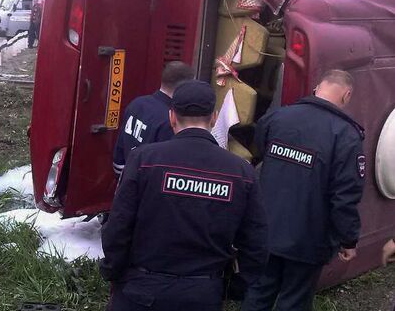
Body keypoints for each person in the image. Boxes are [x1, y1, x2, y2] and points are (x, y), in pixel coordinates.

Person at [100, 80, 268, 311]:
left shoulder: (144, 160)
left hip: (140, 289)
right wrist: (233, 288)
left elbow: (118, 226)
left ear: (171, 117)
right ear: (213, 117)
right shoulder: (241, 171)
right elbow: (256, 242)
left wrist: (113, 271)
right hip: (202, 294)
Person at [243, 69, 366, 311]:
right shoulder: (346, 136)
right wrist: (348, 239)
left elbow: (260, 149)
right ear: (346, 95)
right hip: (308, 238)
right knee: (295, 300)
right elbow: (344, 197)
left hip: (267, 227)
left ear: (317, 88)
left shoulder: (278, 117)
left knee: (258, 292)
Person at [112, 61, 194, 177]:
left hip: (127, 179)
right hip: (147, 187)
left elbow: (119, 150)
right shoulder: (170, 121)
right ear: (184, 87)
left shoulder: (137, 103)